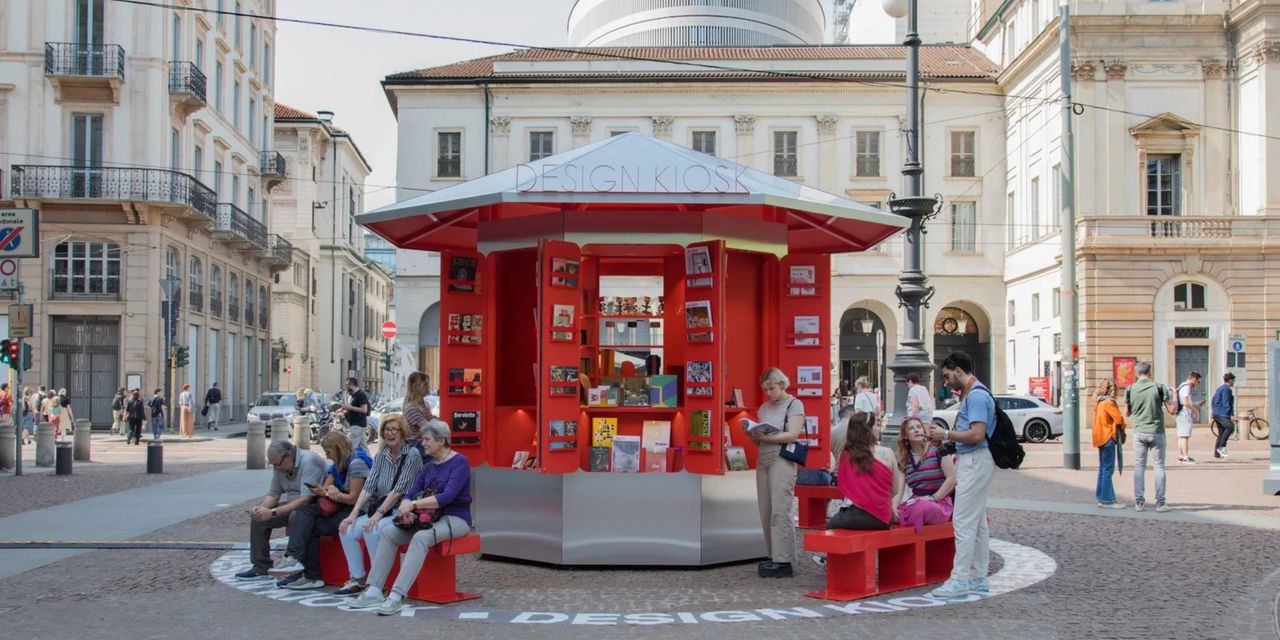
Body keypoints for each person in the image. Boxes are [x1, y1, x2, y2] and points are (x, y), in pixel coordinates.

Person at [348, 420, 473, 615]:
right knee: (389, 532)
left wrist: (413, 505)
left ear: (441, 441)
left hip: (455, 517)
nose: (422, 443)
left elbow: (446, 497)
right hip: (426, 517)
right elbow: (412, 491)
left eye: (427, 439)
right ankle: (374, 589)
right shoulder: (429, 466)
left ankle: (397, 595)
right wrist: (406, 509)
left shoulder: (460, 463)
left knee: (420, 538)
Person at [925, 351, 996, 600]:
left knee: (964, 521)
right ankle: (977, 577)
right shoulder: (976, 392)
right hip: (976, 460)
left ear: (957, 370)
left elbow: (976, 434)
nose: (946, 382)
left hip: (974, 460)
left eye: (946, 376)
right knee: (975, 523)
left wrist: (945, 435)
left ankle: (960, 580)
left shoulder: (975, 396)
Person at [334, 414, 423, 596]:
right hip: (382, 509)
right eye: (386, 430)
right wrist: (354, 513)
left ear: (403, 432)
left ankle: (377, 583)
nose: (390, 434)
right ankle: (357, 579)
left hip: (402, 511)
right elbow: (369, 485)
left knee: (373, 529)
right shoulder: (382, 454)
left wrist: (376, 516)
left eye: (394, 430)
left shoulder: (412, 455)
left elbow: (399, 489)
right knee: (347, 529)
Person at [274, 431, 372, 590]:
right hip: (343, 506)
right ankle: (295, 560)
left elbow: (355, 499)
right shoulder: (338, 465)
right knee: (304, 512)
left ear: (338, 448)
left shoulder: (356, 463)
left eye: (329, 452)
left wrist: (330, 493)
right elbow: (324, 488)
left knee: (310, 525)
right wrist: (328, 489)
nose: (328, 456)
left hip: (358, 510)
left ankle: (308, 572)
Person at [234, 440, 328, 579]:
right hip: (293, 505)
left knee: (295, 516)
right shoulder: (280, 466)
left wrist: (272, 512)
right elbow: (274, 494)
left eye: (277, 464)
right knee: (259, 519)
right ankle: (261, 565)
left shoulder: (310, 461)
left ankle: (294, 564)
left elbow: (305, 500)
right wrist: (262, 508)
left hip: (313, 506)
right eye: (273, 465)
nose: (276, 468)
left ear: (289, 456)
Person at [747, 367, 805, 579]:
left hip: (782, 457)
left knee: (781, 507)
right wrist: (753, 434)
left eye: (771, 388)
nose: (768, 393)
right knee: (766, 508)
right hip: (763, 457)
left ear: (781, 384)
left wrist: (766, 438)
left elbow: (792, 435)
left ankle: (785, 558)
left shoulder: (794, 404)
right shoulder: (764, 408)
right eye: (765, 389)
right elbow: (758, 438)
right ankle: (773, 555)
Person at [830, 410, 899, 531]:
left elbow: (843, 486)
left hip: (857, 514)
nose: (879, 429)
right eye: (877, 425)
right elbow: (895, 490)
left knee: (831, 526)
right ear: (869, 430)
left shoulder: (846, 455)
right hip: (883, 517)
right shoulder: (888, 453)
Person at [1124, 361, 1177, 512]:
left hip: (1139, 431)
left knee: (1139, 466)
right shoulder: (1159, 387)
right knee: (1159, 466)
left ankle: (1139, 502)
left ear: (1136, 373)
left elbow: (1127, 413)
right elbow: (1172, 410)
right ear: (1150, 372)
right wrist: (1174, 394)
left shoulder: (1130, 389)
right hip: (1156, 431)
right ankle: (1160, 503)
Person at [895, 415, 956, 531]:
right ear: (905, 436)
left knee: (921, 507)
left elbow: (951, 479)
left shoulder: (938, 449)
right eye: (911, 428)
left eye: (919, 427)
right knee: (892, 512)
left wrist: (933, 498)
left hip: (939, 502)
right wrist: (893, 508)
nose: (916, 430)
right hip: (916, 500)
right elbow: (899, 490)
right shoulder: (904, 460)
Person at [1092, 379, 1126, 509]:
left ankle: (1101, 497)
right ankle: (1108, 499)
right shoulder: (1109, 403)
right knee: (1108, 469)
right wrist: (1122, 431)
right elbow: (1118, 419)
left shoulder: (1099, 402)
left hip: (1100, 437)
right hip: (1108, 437)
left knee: (1102, 468)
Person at [1175, 371, 1203, 464]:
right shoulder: (1187, 387)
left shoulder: (1182, 385)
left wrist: (1195, 404)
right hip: (1185, 414)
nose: (1197, 384)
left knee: (1181, 436)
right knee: (1185, 436)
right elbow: (1186, 403)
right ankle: (1186, 457)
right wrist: (1195, 410)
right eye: (1197, 382)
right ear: (1194, 379)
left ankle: (1181, 456)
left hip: (1180, 414)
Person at [401, 372, 434, 449]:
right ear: (415, 387)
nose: (428, 387)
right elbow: (429, 427)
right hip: (417, 447)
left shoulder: (424, 404)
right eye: (425, 385)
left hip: (425, 445)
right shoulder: (411, 408)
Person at [1211, 372, 1238, 459]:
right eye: (1233, 380)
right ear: (1230, 380)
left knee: (1221, 432)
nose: (1234, 382)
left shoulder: (1220, 388)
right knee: (1230, 427)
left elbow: (1213, 400)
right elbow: (1226, 403)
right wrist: (1230, 415)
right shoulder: (1227, 389)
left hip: (1217, 413)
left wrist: (1214, 411)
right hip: (1222, 413)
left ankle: (1217, 453)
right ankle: (1222, 447)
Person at [341, 377, 371, 450]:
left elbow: (364, 410)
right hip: (355, 424)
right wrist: (343, 409)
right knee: (364, 448)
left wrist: (350, 407)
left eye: (347, 385)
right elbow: (352, 407)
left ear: (352, 385)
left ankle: (347, 460)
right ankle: (370, 461)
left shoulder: (360, 394)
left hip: (358, 425)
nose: (346, 387)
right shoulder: (352, 396)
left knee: (351, 447)